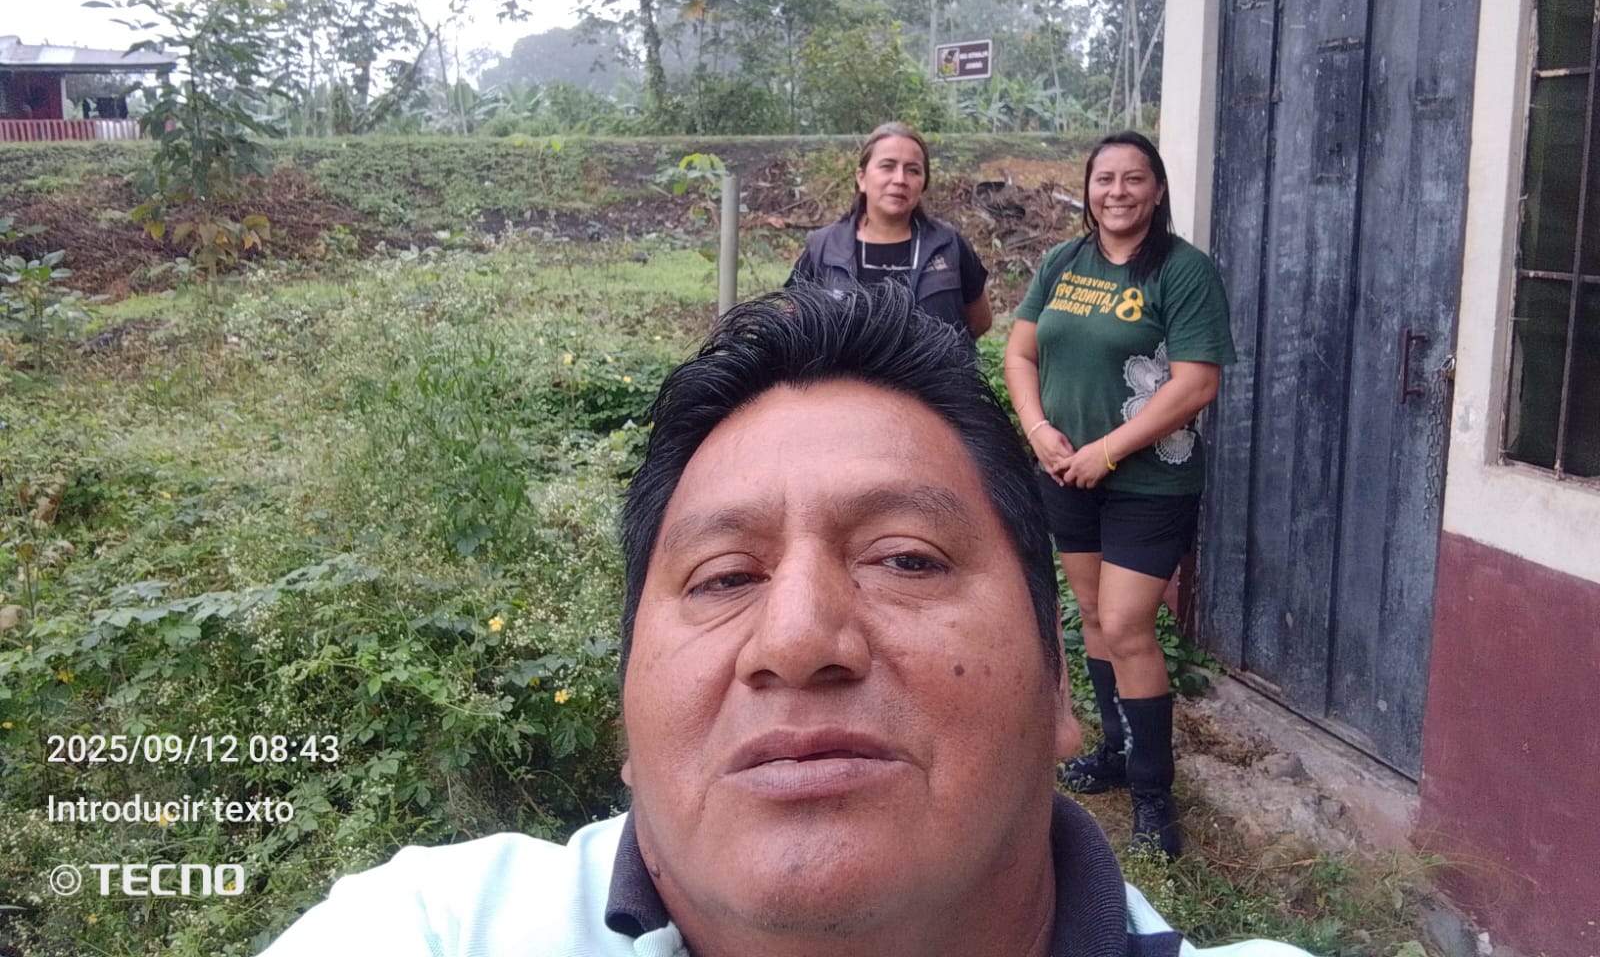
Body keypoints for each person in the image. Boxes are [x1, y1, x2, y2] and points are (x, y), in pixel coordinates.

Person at [263, 283, 1304, 957]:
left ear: (1058, 686)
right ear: (626, 716)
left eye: (906, 558)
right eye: (722, 578)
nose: (798, 641)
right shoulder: (439, 930)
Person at [1004, 130, 1236, 860]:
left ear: (1157, 191)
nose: (1117, 192)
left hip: (1148, 480)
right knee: (1097, 619)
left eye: (1134, 179)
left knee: (1129, 624)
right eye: (1104, 179)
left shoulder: (1184, 271)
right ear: (1089, 188)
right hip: (1066, 472)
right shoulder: (1061, 262)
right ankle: (1115, 750)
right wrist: (1038, 428)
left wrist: (1108, 450)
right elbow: (1020, 351)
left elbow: (1197, 383)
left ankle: (1153, 797)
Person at [789, 121, 992, 343]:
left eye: (913, 170)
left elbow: (979, 320)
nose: (900, 180)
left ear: (923, 183)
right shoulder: (823, 247)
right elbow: (792, 321)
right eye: (887, 166)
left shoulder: (948, 244)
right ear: (862, 178)